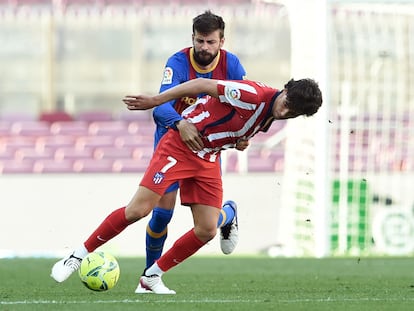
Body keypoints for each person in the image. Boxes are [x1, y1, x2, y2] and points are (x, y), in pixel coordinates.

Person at [51, 77, 323, 295]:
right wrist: (156, 101)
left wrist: (238, 141)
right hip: (179, 147)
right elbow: (203, 86)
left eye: (293, 112)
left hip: (207, 158)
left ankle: (151, 278)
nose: (284, 111)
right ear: (285, 89)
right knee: (138, 210)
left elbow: (237, 127)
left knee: (206, 230)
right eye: (287, 103)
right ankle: (75, 258)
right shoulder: (251, 94)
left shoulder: (276, 112)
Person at [143, 9, 247, 280]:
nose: (204, 47)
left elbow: (246, 106)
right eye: (199, 41)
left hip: (206, 151)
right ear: (193, 38)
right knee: (160, 216)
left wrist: (243, 136)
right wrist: (181, 124)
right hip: (172, 145)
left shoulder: (232, 65)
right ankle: (149, 276)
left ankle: (229, 213)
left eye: (210, 42)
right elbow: (160, 106)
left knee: (207, 225)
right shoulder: (177, 62)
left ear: (221, 42)